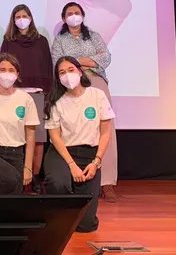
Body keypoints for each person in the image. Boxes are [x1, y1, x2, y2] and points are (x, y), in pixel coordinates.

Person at [51, 2, 118, 202]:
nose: (74, 16)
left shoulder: (94, 36)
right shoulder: (59, 40)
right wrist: (89, 60)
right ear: (64, 18)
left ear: (82, 15)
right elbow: (58, 62)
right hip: (71, 85)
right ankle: (81, 175)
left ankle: (107, 182)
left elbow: (106, 57)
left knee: (105, 130)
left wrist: (75, 61)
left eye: (77, 12)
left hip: (96, 81)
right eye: (69, 13)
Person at [43, 56, 114, 232]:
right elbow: (55, 137)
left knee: (86, 225)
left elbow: (105, 133)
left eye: (71, 70)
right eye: (62, 72)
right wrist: (72, 165)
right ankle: (56, 217)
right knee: (58, 183)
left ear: (80, 71)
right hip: (61, 154)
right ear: (58, 78)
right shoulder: (55, 101)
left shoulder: (97, 95)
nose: (67, 75)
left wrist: (96, 162)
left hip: (90, 156)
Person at [0, 4, 53, 191]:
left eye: (25, 16)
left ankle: (35, 175)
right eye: (18, 17)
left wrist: (49, 93)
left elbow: (48, 67)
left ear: (30, 18)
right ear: (13, 20)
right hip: (14, 93)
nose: (21, 19)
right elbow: (2, 66)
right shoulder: (8, 41)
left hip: (37, 93)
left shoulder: (42, 41)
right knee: (15, 136)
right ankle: (17, 174)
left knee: (38, 137)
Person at [0, 54, 39, 194]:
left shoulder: (25, 99)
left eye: (11, 70)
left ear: (17, 74)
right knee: (11, 179)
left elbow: (30, 135)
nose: (7, 74)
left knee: (15, 192)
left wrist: (28, 167)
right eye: (2, 70)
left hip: (16, 153)